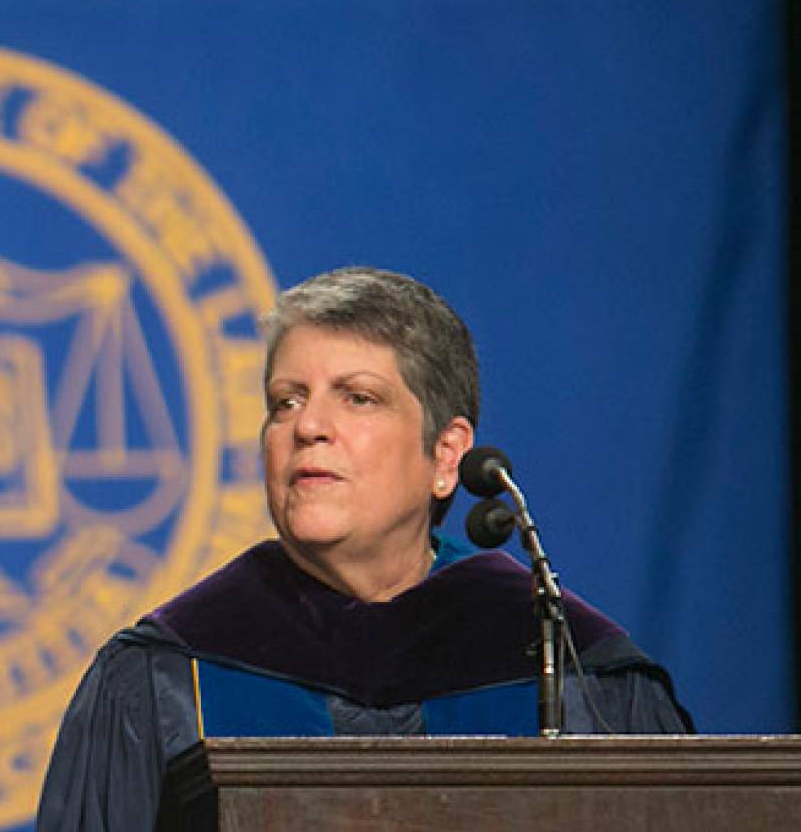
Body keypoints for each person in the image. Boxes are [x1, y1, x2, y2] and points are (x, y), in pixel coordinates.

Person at [34, 267, 691, 832]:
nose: (309, 426)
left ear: (446, 455)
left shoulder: (570, 666)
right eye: (285, 401)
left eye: (358, 398)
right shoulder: (168, 672)